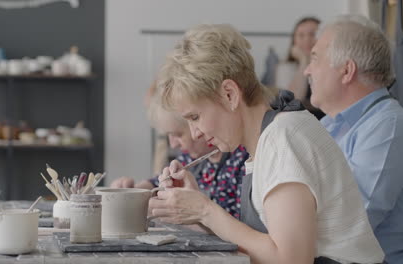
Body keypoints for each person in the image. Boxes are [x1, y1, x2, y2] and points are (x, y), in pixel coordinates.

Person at [149, 23, 383, 263]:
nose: (194, 133)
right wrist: (196, 214)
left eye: (195, 117)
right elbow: (260, 241)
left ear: (229, 94)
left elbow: (291, 259)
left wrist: (206, 211)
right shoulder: (267, 138)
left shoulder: (283, 139)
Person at [304, 15, 403, 263]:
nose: (307, 70)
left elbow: (351, 223)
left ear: (347, 70)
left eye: (315, 58)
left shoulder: (390, 127)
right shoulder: (328, 124)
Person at [110, 93, 249, 218]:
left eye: (177, 135)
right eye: (168, 136)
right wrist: (137, 190)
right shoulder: (191, 157)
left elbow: (242, 228)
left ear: (197, 125)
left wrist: (196, 216)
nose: (173, 145)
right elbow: (159, 183)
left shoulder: (242, 162)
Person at [275, 16, 324, 119]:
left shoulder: (329, 66)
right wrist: (304, 61)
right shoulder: (285, 67)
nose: (307, 39)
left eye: (312, 34)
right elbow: (291, 101)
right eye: (301, 35)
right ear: (294, 40)